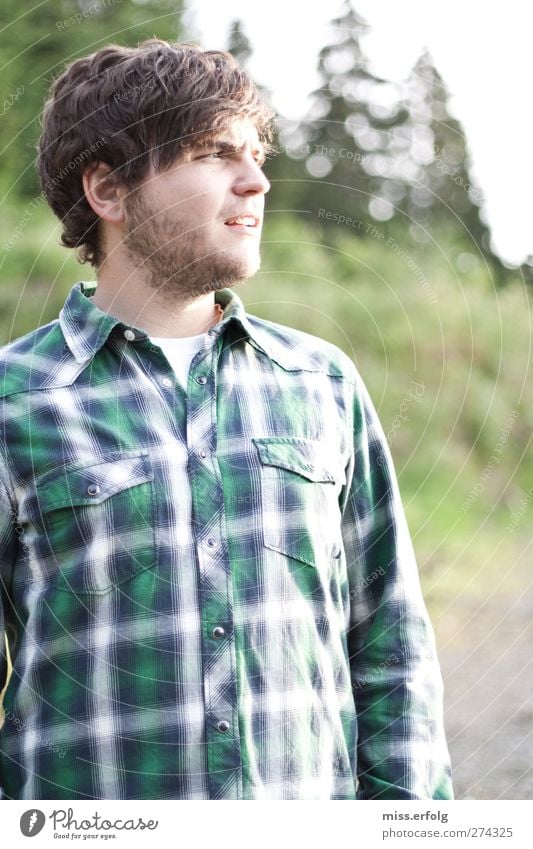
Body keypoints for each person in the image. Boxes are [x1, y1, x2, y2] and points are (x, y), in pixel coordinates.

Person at [0, 39, 453, 800]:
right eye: (216, 153)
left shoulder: (322, 384)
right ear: (109, 190)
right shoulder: (15, 402)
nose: (257, 180)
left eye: (256, 152)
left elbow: (390, 649)